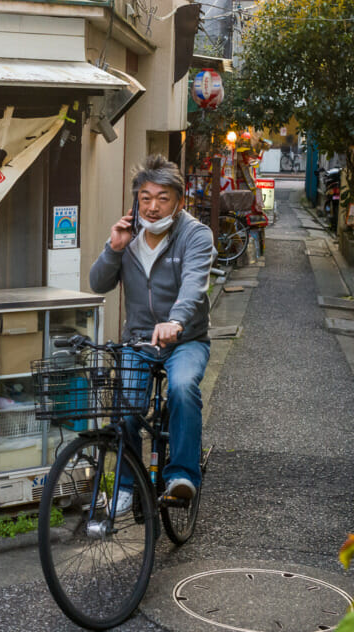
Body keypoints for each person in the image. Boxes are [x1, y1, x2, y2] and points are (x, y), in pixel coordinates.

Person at [88, 154, 215, 510]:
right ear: (136, 199)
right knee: (126, 408)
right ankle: (126, 485)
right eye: (146, 198)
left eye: (163, 198)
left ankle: (182, 475)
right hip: (139, 339)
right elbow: (98, 283)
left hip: (186, 339)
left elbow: (194, 284)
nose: (153, 207)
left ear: (179, 199)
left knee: (182, 388)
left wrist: (176, 322)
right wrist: (113, 248)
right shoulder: (128, 235)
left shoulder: (196, 235)